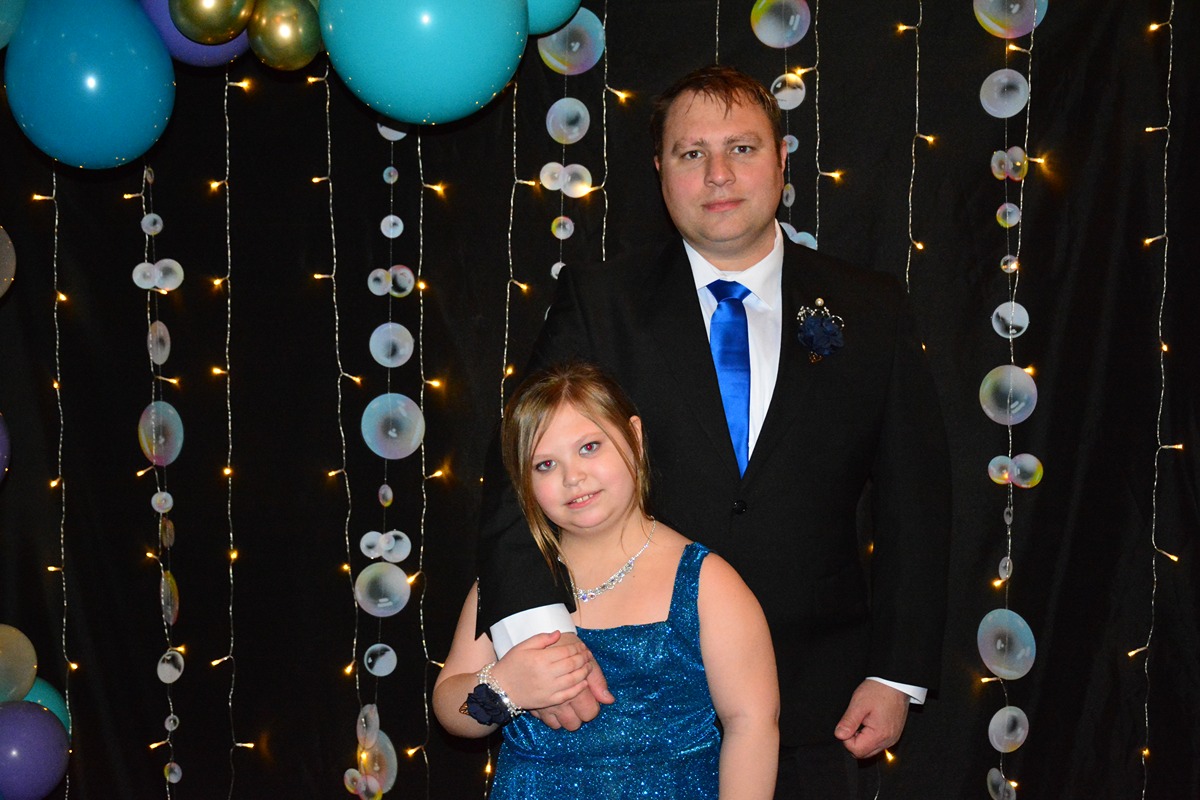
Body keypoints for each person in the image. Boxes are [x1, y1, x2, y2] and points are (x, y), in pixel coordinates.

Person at [476, 64, 951, 799]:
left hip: (816, 704)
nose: (718, 174)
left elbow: (915, 501)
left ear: (782, 160)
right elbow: (518, 463)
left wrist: (896, 673)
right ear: (660, 170)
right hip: (632, 707)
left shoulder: (873, 307)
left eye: (743, 148)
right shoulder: (600, 300)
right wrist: (539, 639)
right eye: (692, 152)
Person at [434, 362, 779, 798]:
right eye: (545, 464)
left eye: (589, 447)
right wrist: (505, 688)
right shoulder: (505, 584)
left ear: (634, 436)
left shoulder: (706, 583)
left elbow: (752, 723)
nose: (572, 477)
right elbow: (450, 707)